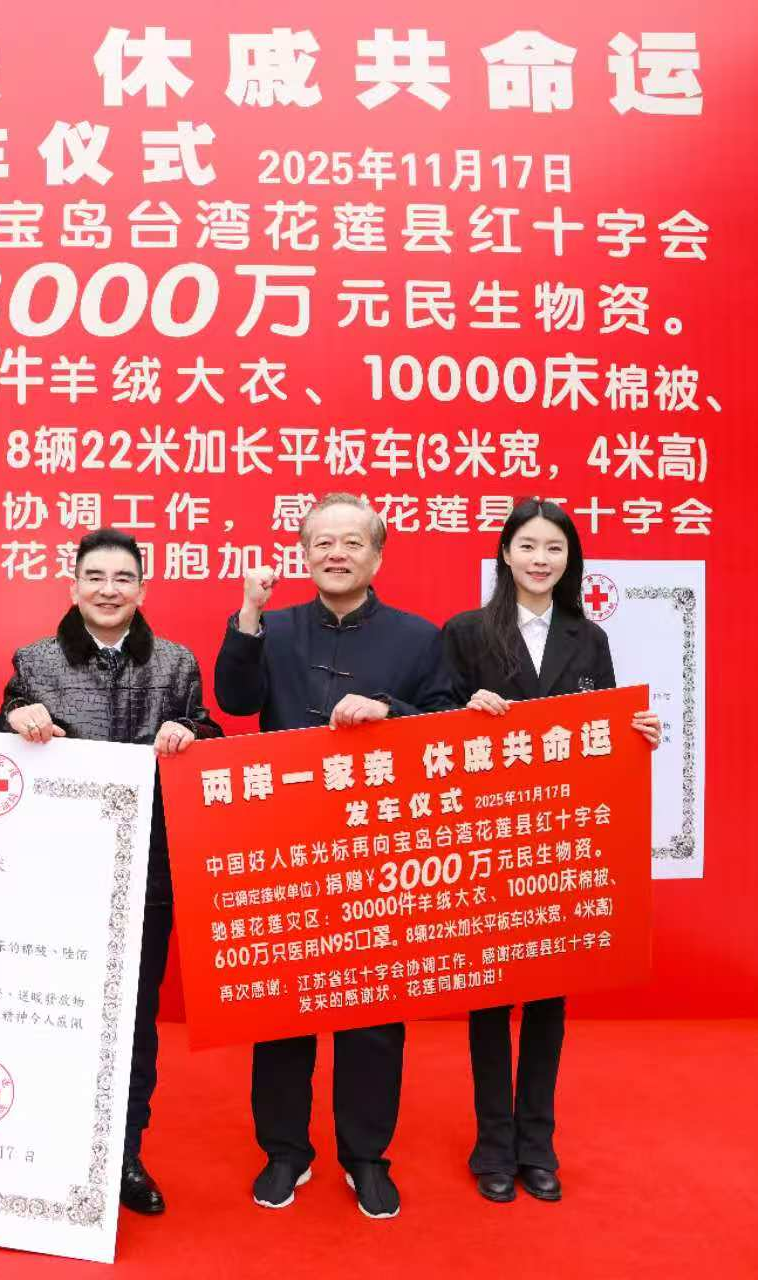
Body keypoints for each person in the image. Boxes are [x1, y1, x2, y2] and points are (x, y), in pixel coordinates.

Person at [214, 492, 456, 1220]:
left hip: (376, 846)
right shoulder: (273, 626)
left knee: (373, 1014)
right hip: (286, 843)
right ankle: (285, 1151)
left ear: (376, 557)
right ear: (304, 553)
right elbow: (234, 700)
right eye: (322, 542)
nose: (336, 553)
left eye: (352, 542)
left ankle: (366, 1156)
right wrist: (249, 614)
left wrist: (391, 713)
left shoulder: (419, 637)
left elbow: (447, 723)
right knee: (281, 1009)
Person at [439, 498, 660, 1206]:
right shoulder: (467, 632)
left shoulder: (587, 638)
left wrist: (638, 732)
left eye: (554, 548)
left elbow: (602, 729)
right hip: (486, 838)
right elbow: (429, 725)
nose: (540, 559)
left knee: (547, 1001)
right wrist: (461, 712)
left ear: (570, 561)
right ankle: (491, 1144)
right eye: (528, 546)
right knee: (488, 1002)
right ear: (505, 554)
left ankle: (537, 1144)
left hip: (559, 843)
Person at [0, 529, 223, 1218]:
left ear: (142, 589)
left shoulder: (176, 663)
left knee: (134, 1021)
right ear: (73, 587)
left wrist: (192, 733)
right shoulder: (34, 662)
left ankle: (123, 1153)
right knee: (52, 1011)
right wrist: (16, 716)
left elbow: (209, 735)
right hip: (56, 878)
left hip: (147, 877)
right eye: (94, 576)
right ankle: (46, 1148)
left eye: (122, 578)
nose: (107, 589)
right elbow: (0, 738)